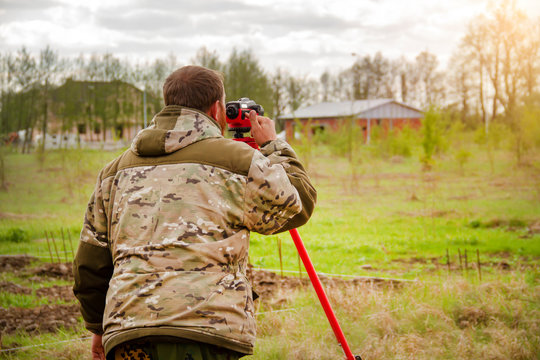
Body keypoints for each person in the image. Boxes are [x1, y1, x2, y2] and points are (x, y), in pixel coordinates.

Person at [73, 65, 316, 360]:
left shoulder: (114, 171)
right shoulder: (238, 162)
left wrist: (99, 328)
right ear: (216, 109)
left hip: (127, 330)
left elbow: (90, 260)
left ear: (169, 104)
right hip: (208, 332)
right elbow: (298, 202)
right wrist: (271, 145)